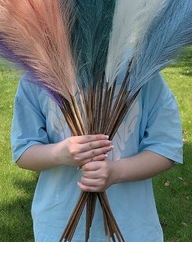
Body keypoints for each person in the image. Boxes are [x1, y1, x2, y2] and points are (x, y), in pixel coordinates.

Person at [11, 71, 183, 241]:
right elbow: (24, 151)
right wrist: (59, 153)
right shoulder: (38, 72)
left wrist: (117, 172)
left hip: (132, 228)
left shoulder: (143, 71)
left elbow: (166, 147)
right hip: (57, 226)